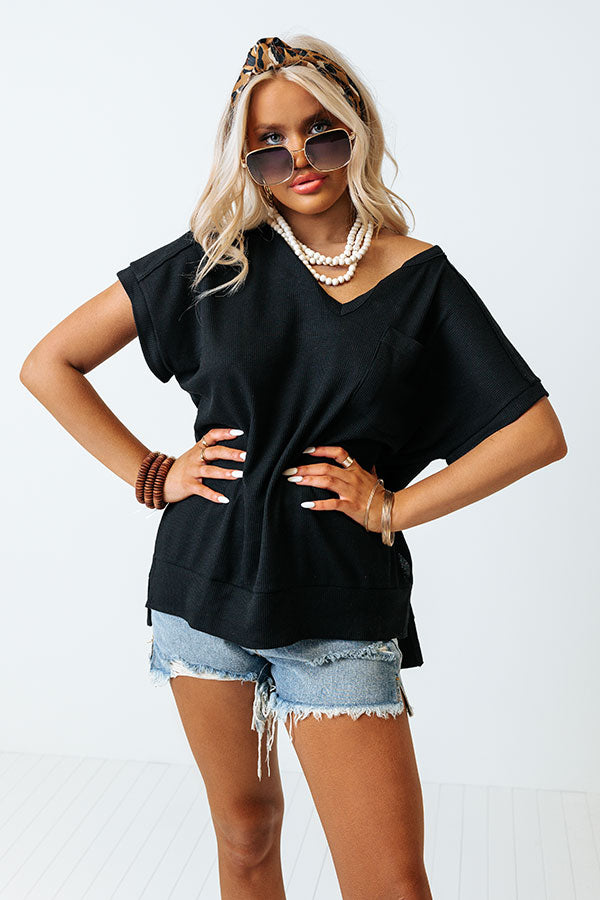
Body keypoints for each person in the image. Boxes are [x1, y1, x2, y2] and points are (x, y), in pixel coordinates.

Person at [20, 32, 567, 900]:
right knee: (246, 840)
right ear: (245, 159)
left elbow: (535, 431)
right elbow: (48, 364)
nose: (299, 159)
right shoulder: (214, 257)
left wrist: (395, 509)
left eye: (321, 132)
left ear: (357, 129)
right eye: (268, 144)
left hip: (338, 601)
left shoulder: (420, 278)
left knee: (390, 884)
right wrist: (154, 473)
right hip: (203, 589)